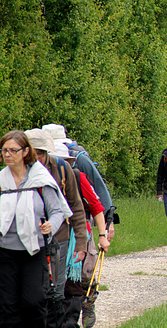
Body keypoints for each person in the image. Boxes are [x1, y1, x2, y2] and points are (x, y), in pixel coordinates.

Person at [0, 130, 70, 327]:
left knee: (33, 302)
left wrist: (51, 226)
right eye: (4, 150)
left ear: (25, 152)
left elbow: (58, 211)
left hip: (34, 250)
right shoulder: (1, 181)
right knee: (7, 305)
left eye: (13, 150)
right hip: (4, 250)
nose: (7, 154)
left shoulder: (40, 179)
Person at [25, 128, 88, 328]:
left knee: (56, 291)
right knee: (32, 292)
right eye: (34, 153)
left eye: (41, 153)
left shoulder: (62, 169)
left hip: (59, 238)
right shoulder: (18, 172)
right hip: (27, 240)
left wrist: (81, 242)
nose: (38, 158)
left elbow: (76, 206)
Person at [46, 141, 110, 328]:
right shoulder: (37, 178)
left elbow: (96, 207)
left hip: (76, 235)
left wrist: (102, 235)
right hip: (50, 236)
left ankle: (77, 313)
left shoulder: (77, 176)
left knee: (76, 278)